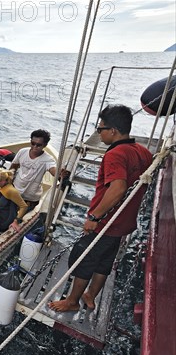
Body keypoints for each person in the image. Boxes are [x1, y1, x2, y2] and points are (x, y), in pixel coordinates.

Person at [49, 104, 153, 312]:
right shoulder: (143, 152)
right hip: (124, 222)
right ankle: (90, 296)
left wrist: (95, 217)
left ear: (112, 131)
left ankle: (72, 302)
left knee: (84, 257)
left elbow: (118, 187)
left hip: (106, 222)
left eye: (100, 129)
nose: (99, 133)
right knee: (105, 261)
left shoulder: (115, 154)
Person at [10, 129, 57, 211]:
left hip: (30, 199)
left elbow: (54, 171)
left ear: (45, 145)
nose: (35, 147)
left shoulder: (48, 159)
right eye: (33, 143)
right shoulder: (22, 152)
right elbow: (13, 167)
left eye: (38, 145)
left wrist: (60, 173)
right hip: (14, 192)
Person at [0, 168, 28, 232]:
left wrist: (16, 221)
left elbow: (24, 206)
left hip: (5, 222)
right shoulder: (1, 188)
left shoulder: (10, 190)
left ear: (3, 181)